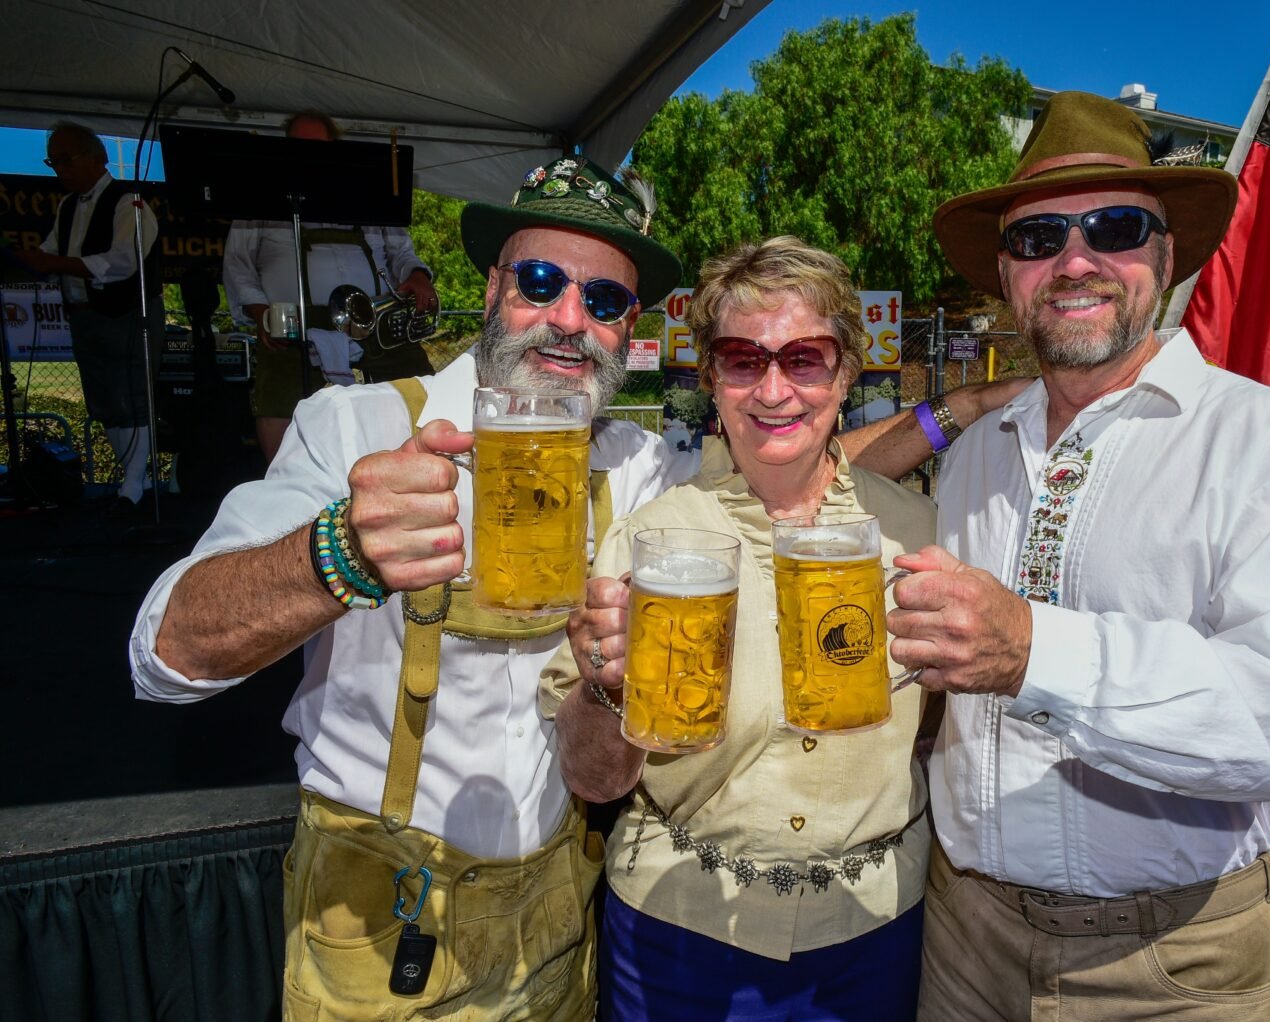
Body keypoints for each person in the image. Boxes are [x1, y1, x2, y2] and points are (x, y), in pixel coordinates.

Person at [130, 154, 1016, 1020]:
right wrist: (337, 554)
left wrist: (958, 412)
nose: (568, 318)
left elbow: (792, 457)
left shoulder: (634, 463)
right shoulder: (356, 425)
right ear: (491, 290)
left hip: (566, 916)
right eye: (542, 280)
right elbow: (167, 652)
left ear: (627, 329)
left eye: (603, 301)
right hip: (385, 914)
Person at [883, 91, 1270, 1021]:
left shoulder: (1269, 445)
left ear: (1165, 258)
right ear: (1008, 274)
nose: (1074, 261)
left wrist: (1038, 652)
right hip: (962, 937)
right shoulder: (974, 459)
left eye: (1115, 228)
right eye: (1039, 240)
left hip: (1174, 963)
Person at [541, 236, 935, 1020]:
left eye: (806, 358)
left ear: (847, 371)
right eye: (744, 360)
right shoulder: (647, 542)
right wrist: (606, 686)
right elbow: (592, 781)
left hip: (873, 933)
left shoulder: (918, 531)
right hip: (678, 932)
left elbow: (944, 726)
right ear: (711, 378)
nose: (775, 389)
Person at [223, 109, 440, 462]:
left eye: (318, 147)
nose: (309, 155)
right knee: (278, 400)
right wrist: (259, 310)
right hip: (293, 329)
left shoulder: (371, 191)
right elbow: (237, 264)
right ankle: (286, 497)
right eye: (299, 146)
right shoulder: (260, 197)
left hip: (375, 325)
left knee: (417, 392)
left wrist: (417, 276)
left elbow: (401, 252)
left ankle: (421, 470)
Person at [19, 120, 164, 515]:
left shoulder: (127, 201)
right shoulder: (67, 206)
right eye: (54, 162)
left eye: (66, 159)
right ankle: (132, 477)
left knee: (130, 395)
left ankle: (133, 486)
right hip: (84, 315)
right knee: (103, 401)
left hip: (127, 313)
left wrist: (57, 262)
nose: (60, 170)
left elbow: (122, 262)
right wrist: (38, 261)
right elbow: (52, 252)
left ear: (97, 158)